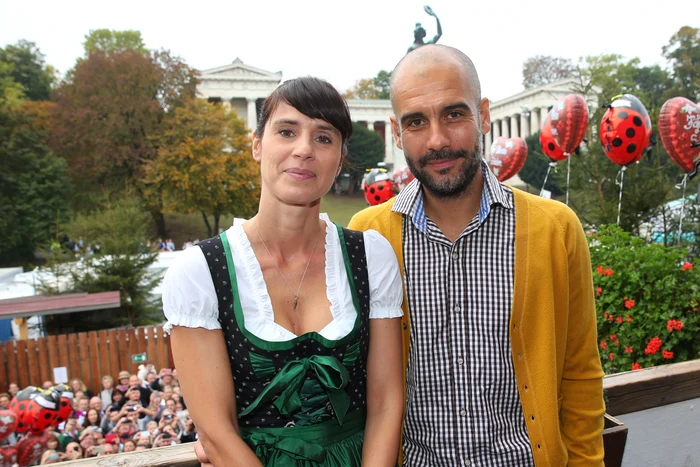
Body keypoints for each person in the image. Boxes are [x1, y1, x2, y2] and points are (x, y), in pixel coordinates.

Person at [347, 44, 605, 466]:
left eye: (454, 114)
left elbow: (580, 376)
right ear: (396, 132)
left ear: (483, 114)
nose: (438, 140)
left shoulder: (555, 230)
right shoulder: (367, 236)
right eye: (416, 122)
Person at [165, 76, 404, 466]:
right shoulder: (200, 272)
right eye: (287, 131)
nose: (304, 150)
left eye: (324, 138)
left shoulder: (370, 256)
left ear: (340, 159)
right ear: (258, 145)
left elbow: (385, 403)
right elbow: (216, 430)